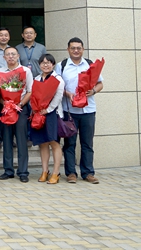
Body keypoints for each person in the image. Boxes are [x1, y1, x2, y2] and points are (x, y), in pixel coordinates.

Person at [55, 37, 103, 184]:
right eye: (73, 48)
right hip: (69, 111)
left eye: (78, 48)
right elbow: (56, 86)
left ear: (83, 49)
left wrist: (93, 91)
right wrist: (67, 93)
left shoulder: (90, 65)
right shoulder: (61, 66)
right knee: (69, 143)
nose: (76, 50)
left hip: (88, 111)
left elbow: (100, 84)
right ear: (68, 49)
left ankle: (88, 173)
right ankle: (71, 173)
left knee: (87, 143)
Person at [0, 46, 33, 183]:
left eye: (13, 54)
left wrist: (20, 104)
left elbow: (30, 91)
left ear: (18, 56)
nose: (11, 56)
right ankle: (8, 170)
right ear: (4, 57)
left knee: (21, 140)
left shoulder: (25, 71)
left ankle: (23, 171)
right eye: (8, 54)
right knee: (7, 140)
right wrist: (5, 103)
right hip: (6, 109)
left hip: (20, 109)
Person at [31, 53, 65, 185]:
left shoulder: (58, 79)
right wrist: (35, 108)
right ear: (39, 65)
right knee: (43, 143)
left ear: (53, 64)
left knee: (54, 143)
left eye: (48, 62)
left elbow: (58, 97)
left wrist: (48, 109)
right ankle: (45, 171)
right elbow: (33, 95)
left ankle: (56, 172)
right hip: (38, 113)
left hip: (52, 114)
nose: (46, 65)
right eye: (43, 63)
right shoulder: (37, 78)